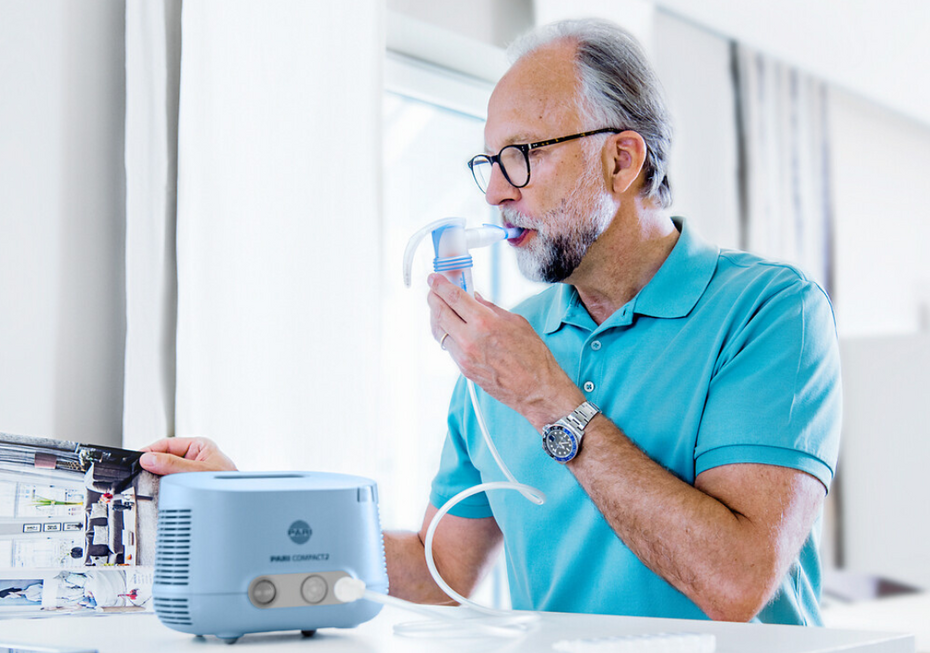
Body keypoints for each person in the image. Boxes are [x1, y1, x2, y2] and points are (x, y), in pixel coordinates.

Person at [140, 18, 840, 625]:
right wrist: (242, 501)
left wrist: (544, 396)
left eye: (524, 156)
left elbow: (736, 581)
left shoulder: (771, 311)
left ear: (622, 159)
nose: (498, 191)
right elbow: (435, 571)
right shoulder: (506, 346)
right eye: (489, 162)